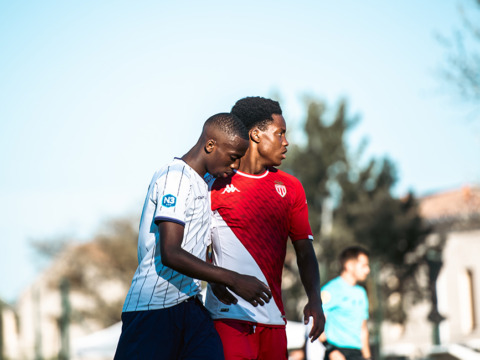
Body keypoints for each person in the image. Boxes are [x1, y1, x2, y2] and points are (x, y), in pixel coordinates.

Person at [114, 113, 272, 360]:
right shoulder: (175, 177)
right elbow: (171, 253)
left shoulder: (205, 181)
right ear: (211, 145)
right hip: (153, 309)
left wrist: (215, 281)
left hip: (190, 305)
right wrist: (233, 279)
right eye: (232, 158)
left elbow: (197, 242)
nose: (234, 167)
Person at [205, 97, 325, 360]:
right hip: (228, 320)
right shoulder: (213, 183)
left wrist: (315, 299)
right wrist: (214, 279)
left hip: (274, 320)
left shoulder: (290, 187)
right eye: (280, 133)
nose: (286, 142)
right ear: (256, 134)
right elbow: (195, 244)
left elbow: (305, 250)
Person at [320, 246, 371, 360]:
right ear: (349, 265)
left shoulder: (361, 293)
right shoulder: (330, 290)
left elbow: (363, 329)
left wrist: (367, 357)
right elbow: (316, 323)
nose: (368, 270)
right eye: (364, 266)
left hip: (357, 354)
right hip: (337, 353)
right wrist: (331, 350)